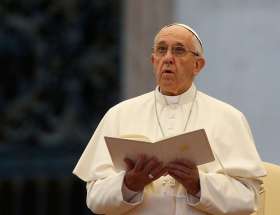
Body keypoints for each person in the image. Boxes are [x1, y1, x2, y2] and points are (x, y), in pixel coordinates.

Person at [73, 23, 267, 215]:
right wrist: (129, 185)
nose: (168, 58)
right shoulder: (119, 115)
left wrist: (199, 184)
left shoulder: (228, 118)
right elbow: (95, 199)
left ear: (197, 65)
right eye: (161, 50)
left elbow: (249, 199)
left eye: (179, 50)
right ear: (153, 61)